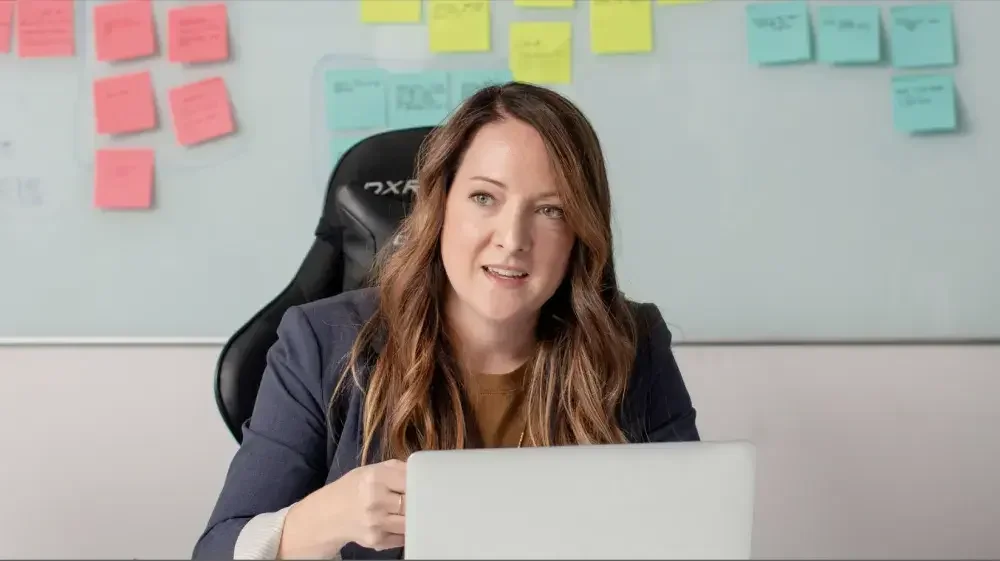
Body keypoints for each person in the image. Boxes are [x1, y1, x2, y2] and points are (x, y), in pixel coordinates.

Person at [192, 82, 700, 561]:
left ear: (580, 232)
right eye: (485, 198)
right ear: (441, 206)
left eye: (551, 210)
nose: (512, 238)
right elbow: (217, 550)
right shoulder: (320, 343)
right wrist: (325, 518)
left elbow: (692, 533)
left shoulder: (633, 343)